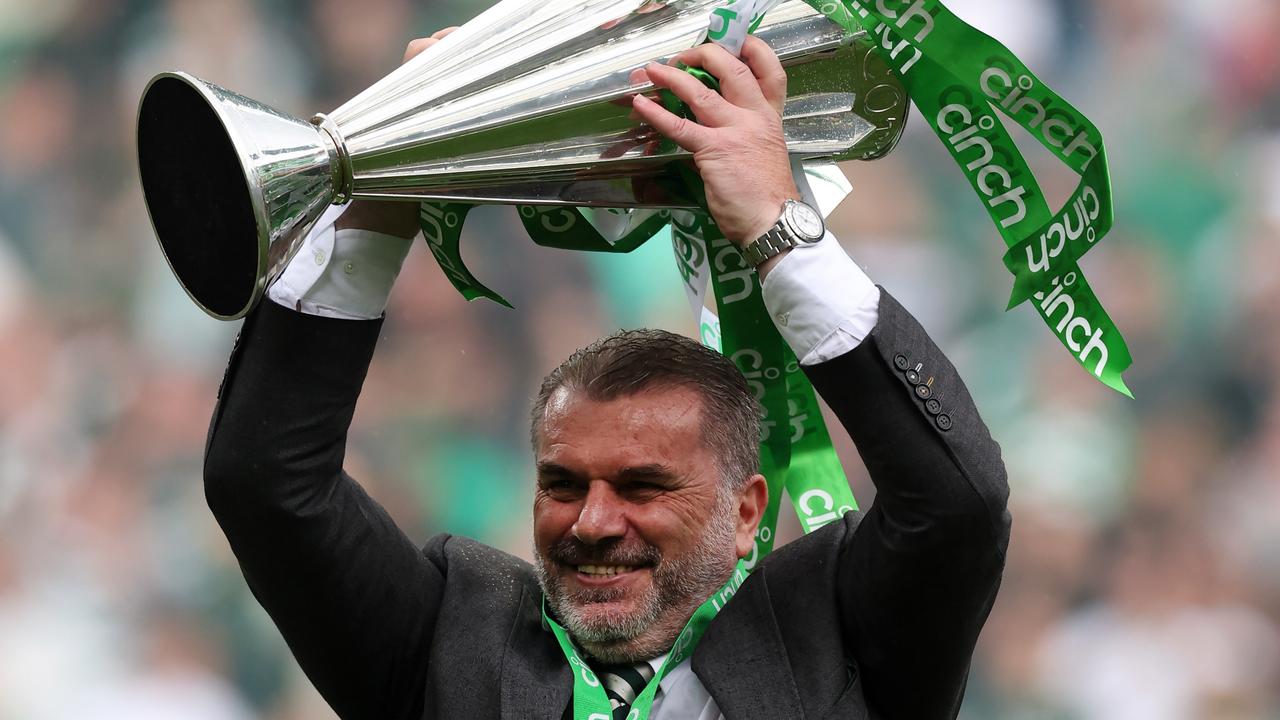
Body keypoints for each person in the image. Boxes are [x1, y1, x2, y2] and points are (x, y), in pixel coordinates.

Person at [203, 31, 1010, 720]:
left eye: (643, 486)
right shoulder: (453, 643)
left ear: (744, 513)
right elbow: (266, 481)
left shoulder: (836, 641)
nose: (590, 521)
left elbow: (957, 503)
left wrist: (778, 226)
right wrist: (379, 184)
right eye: (562, 483)